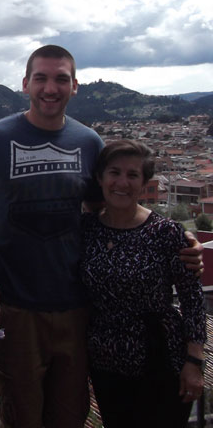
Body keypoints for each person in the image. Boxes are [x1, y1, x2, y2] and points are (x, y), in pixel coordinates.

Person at [0, 44, 204, 428]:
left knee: (70, 417)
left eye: (61, 79)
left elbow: (109, 212)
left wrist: (174, 237)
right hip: (17, 307)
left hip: (79, 310)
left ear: (75, 86)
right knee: (20, 415)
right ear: (25, 83)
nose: (50, 87)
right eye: (40, 77)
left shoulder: (90, 142)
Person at [81, 139, 205, 428]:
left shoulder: (166, 232)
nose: (122, 182)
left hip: (159, 359)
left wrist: (194, 361)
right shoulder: (87, 229)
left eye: (133, 175)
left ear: (144, 182)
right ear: (100, 179)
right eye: (114, 173)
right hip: (105, 365)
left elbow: (192, 299)